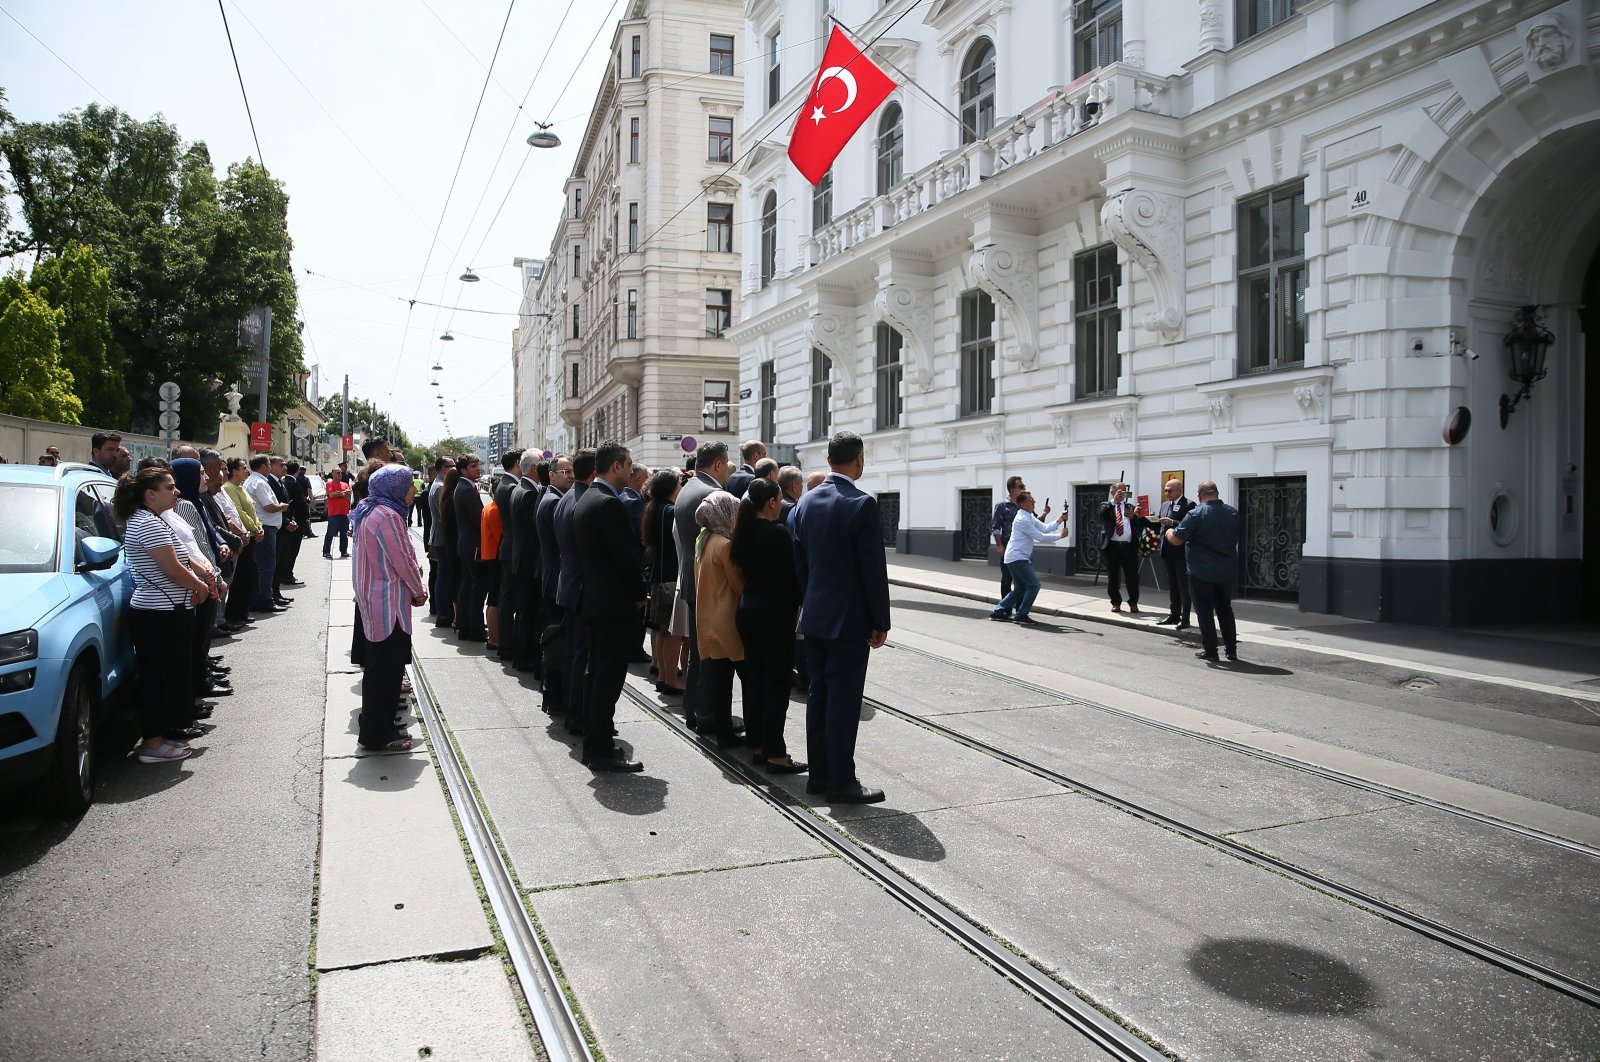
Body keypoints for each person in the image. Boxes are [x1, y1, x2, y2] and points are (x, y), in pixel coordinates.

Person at [791, 431, 891, 804]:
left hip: (814, 615)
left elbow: (799, 563)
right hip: (848, 620)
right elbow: (872, 569)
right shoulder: (861, 504)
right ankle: (841, 781)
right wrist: (880, 620)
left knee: (819, 694)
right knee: (844, 700)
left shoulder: (804, 502)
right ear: (859, 460)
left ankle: (818, 775)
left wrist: (808, 601)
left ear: (829, 459)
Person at [114, 465, 211, 763]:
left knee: (169, 676)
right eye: (170, 487)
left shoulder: (153, 519)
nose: (177, 491)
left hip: (168, 610)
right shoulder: (147, 523)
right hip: (159, 613)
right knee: (158, 678)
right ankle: (153, 743)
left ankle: (164, 735)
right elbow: (171, 569)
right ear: (150, 494)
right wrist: (200, 587)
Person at [573, 441, 647, 771]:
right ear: (616, 466)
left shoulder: (588, 497)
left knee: (597, 675)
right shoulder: (607, 503)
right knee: (607, 678)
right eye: (629, 465)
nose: (632, 472)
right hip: (612, 605)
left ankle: (596, 742)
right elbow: (625, 558)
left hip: (595, 601)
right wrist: (638, 592)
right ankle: (600, 749)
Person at [730, 479, 805, 773]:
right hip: (774, 614)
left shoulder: (743, 531)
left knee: (754, 679)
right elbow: (792, 576)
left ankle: (758, 744)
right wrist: (800, 601)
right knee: (776, 682)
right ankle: (775, 752)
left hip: (748, 610)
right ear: (772, 503)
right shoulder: (778, 533)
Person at [352, 465, 428, 750]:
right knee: (386, 670)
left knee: (379, 668)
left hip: (376, 601)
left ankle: (377, 722)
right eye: (409, 485)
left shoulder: (370, 509)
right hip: (387, 604)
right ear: (394, 488)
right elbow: (402, 560)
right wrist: (419, 590)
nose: (413, 490)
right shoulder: (388, 516)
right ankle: (377, 733)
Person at [673, 441, 731, 730]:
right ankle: (707, 714)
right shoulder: (713, 493)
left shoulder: (688, 488)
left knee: (698, 651)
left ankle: (694, 708)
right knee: (710, 653)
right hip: (709, 584)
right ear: (719, 465)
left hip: (691, 578)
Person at [1166, 480, 1241, 663]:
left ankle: (1211, 650)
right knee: (1225, 610)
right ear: (1217, 493)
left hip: (1201, 571)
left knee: (1205, 611)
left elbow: (1176, 539)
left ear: (1199, 496)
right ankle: (1231, 650)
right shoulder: (1233, 513)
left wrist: (1168, 531)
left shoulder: (1196, 513)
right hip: (1226, 570)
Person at [692, 490, 744, 747]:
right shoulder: (725, 545)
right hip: (727, 619)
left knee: (719, 681)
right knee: (734, 680)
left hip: (707, 617)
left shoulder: (704, 539)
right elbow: (738, 584)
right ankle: (730, 733)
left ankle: (723, 731)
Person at [555, 449, 596, 729]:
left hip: (570, 585)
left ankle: (572, 708)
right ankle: (577, 713)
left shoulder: (568, 497)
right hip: (581, 588)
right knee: (581, 655)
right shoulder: (580, 500)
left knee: (574, 652)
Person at [989, 492, 1068, 624]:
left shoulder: (1028, 516)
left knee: (1020, 588)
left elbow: (1045, 528)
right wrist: (1060, 536)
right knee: (1034, 584)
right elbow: (1040, 536)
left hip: (1016, 557)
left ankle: (998, 611)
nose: (1034, 502)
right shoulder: (1022, 519)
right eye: (1031, 500)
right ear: (1023, 503)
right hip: (1017, 557)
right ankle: (1021, 614)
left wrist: (1060, 519)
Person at [641, 469, 684, 695]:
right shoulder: (670, 510)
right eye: (679, 483)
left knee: (662, 630)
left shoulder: (653, 507)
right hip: (669, 577)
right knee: (673, 632)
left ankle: (661, 673)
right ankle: (670, 679)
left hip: (658, 576)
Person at [536, 454, 573, 707]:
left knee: (555, 637)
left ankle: (552, 690)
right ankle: (553, 693)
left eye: (572, 471)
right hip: (556, 579)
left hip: (553, 577)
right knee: (556, 639)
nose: (570, 475)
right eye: (565, 472)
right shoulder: (552, 502)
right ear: (551, 475)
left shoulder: (553, 498)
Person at [509, 449, 544, 673]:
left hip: (521, 559)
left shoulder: (519, 488)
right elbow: (534, 533)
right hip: (529, 561)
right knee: (529, 612)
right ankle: (525, 656)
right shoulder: (530, 493)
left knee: (524, 610)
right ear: (534, 468)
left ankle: (521, 654)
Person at [222, 458, 267, 622]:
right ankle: (235, 614)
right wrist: (254, 528)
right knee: (241, 577)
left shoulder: (241, 487)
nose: (246, 470)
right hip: (243, 536)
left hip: (251, 535)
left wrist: (259, 526)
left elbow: (253, 510)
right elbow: (239, 512)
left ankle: (243, 611)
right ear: (234, 471)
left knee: (249, 576)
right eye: (242, 468)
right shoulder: (229, 488)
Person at [244, 454, 290, 611]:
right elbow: (269, 506)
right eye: (269, 465)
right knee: (267, 566)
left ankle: (261, 598)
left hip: (265, 526)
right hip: (266, 527)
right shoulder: (259, 483)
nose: (270, 468)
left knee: (262, 565)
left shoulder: (255, 481)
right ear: (263, 466)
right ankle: (265, 600)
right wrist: (282, 506)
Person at [1098, 482, 1150, 614]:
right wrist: (1113, 501)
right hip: (1112, 547)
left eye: (1124, 492)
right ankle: (1115, 602)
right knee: (1113, 577)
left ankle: (1133, 602)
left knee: (1132, 577)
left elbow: (1138, 525)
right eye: (1119, 492)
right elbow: (1102, 515)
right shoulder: (1106, 505)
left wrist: (1135, 517)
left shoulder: (1129, 507)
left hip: (1128, 547)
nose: (1122, 495)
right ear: (1113, 492)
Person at [452, 453, 487, 641]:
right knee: (476, 588)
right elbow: (478, 519)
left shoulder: (466, 486)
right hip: (473, 545)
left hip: (466, 544)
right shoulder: (466, 489)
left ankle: (465, 626)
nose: (478, 468)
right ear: (463, 470)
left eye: (478, 465)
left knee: (467, 587)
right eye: (473, 466)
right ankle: (475, 628)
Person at [1156, 479, 1196, 629]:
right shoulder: (1165, 505)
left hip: (1181, 551)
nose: (1167, 493)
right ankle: (1174, 614)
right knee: (1172, 585)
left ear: (1179, 490)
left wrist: (1172, 522)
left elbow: (1189, 526)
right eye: (1165, 490)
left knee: (1183, 586)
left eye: (1170, 490)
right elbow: (1159, 525)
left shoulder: (1189, 504)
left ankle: (1185, 618)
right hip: (1167, 550)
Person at [493, 450, 521, 662]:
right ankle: (507, 645)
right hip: (513, 548)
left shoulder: (504, 484)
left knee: (507, 598)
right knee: (509, 599)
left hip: (507, 546)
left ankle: (506, 644)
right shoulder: (512, 487)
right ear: (519, 463)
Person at [427, 455, 455, 623]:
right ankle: (443, 612)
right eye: (452, 466)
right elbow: (444, 514)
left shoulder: (439, 484)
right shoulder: (439, 487)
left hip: (440, 537)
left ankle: (443, 610)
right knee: (444, 575)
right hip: (442, 537)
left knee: (443, 574)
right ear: (444, 468)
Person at [991, 476, 1024, 605]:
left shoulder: (1024, 505)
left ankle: (1020, 610)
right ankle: (1005, 608)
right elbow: (996, 527)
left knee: (1021, 580)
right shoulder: (1002, 505)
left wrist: (1045, 513)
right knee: (1007, 578)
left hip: (1022, 548)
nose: (1023, 489)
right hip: (1007, 546)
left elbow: (1035, 522)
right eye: (1020, 487)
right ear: (1012, 489)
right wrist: (999, 545)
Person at [480, 483, 505, 651]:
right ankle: (495, 638)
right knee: (495, 597)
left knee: (493, 596)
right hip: (494, 556)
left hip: (489, 555)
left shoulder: (488, 507)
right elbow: (500, 537)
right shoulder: (495, 510)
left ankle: (494, 636)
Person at [277, 459, 308, 585]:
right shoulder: (293, 483)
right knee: (292, 550)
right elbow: (301, 502)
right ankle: (287, 575)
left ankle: (284, 573)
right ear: (297, 471)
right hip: (295, 521)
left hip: (285, 520)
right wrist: (306, 516)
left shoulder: (283, 481)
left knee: (285, 550)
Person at [323, 469, 352, 557]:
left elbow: (349, 495)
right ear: (333, 474)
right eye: (338, 473)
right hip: (334, 512)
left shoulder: (345, 484)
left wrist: (339, 493)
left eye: (341, 473)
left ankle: (344, 551)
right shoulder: (330, 484)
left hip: (344, 512)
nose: (340, 474)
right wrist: (343, 494)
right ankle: (326, 551)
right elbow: (331, 494)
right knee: (330, 532)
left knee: (344, 533)